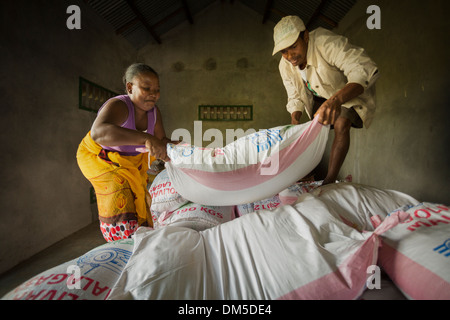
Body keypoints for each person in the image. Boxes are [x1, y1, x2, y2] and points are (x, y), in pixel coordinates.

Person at [272, 16, 379, 185]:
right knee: (308, 132)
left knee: (341, 123)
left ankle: (329, 181)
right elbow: (294, 96)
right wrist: (294, 122)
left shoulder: (325, 43)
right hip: (318, 95)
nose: (290, 56)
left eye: (293, 47)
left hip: (345, 91)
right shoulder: (284, 66)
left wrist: (336, 100)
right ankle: (303, 175)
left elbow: (363, 68)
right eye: (283, 51)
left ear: (305, 36)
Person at [77, 63, 174, 242]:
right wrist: (146, 139)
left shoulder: (154, 112)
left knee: (140, 194)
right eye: (146, 88)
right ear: (130, 87)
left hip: (128, 159)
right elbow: (99, 132)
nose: (153, 93)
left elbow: (161, 140)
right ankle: (122, 240)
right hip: (99, 157)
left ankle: (142, 233)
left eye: (157, 89)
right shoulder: (119, 105)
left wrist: (180, 148)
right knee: (120, 188)